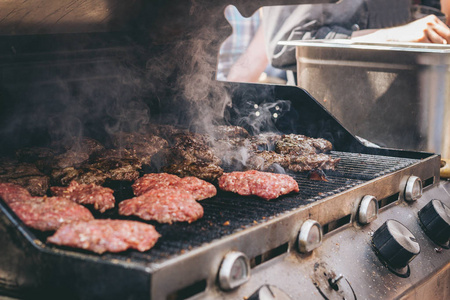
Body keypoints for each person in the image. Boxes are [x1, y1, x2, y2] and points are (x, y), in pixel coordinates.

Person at [262, 0, 450, 82]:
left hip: (412, 118)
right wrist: (391, 37)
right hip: (334, 128)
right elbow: (284, 46)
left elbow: (428, 16)